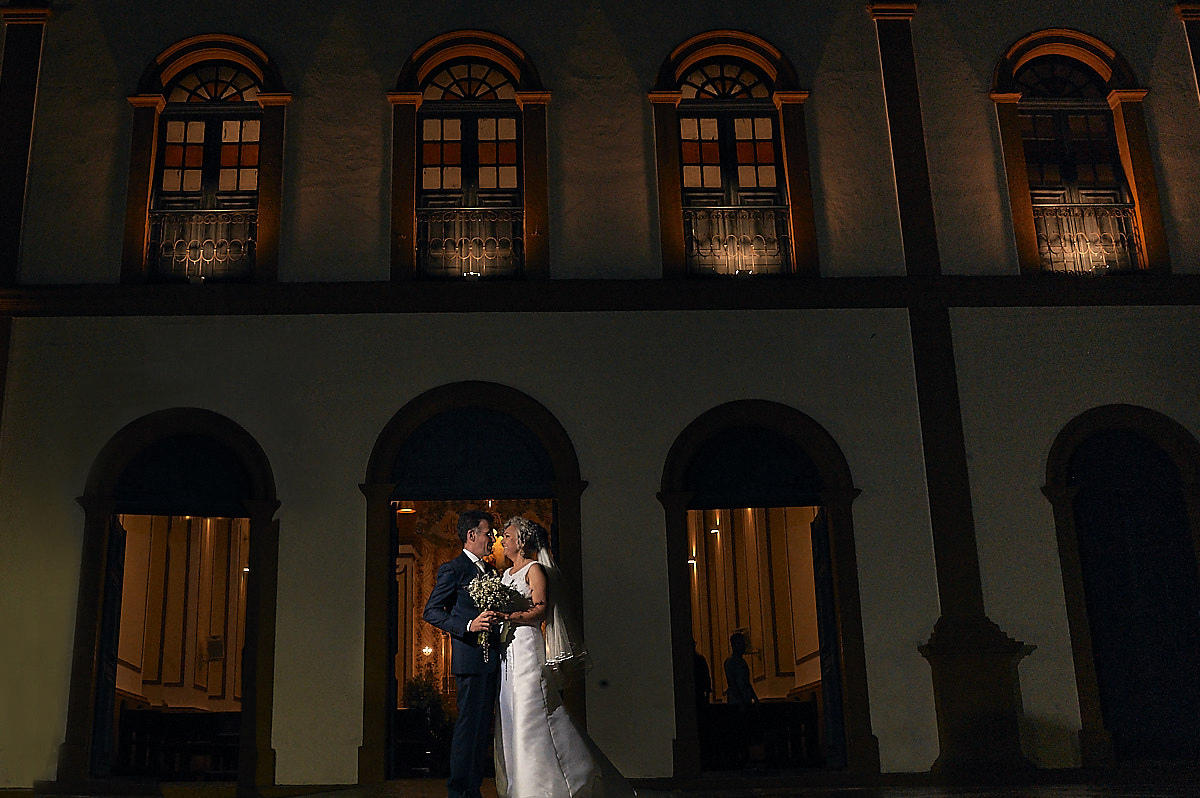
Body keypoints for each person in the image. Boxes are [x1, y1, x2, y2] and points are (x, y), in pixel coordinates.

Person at [494, 516, 637, 798]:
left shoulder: (534, 570)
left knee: (531, 712)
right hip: (507, 650)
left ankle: (550, 783)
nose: (503, 541)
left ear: (521, 542)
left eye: (508, 536)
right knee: (511, 712)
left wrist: (509, 616)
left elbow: (540, 609)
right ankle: (521, 783)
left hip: (526, 645)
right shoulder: (506, 574)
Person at [423, 509, 503, 798]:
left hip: (492, 660)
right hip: (469, 659)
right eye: (487, 533)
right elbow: (431, 611)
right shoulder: (453, 569)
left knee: (483, 730)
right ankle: (458, 792)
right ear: (471, 535)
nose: (492, 538)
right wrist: (469, 625)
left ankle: (474, 789)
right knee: (468, 728)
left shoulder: (491, 571)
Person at [723, 632, 758, 705]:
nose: (743, 646)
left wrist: (754, 697)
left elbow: (747, 682)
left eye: (743, 643)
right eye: (739, 643)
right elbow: (732, 683)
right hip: (737, 702)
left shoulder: (742, 662)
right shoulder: (730, 662)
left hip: (745, 699)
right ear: (733, 646)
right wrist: (741, 700)